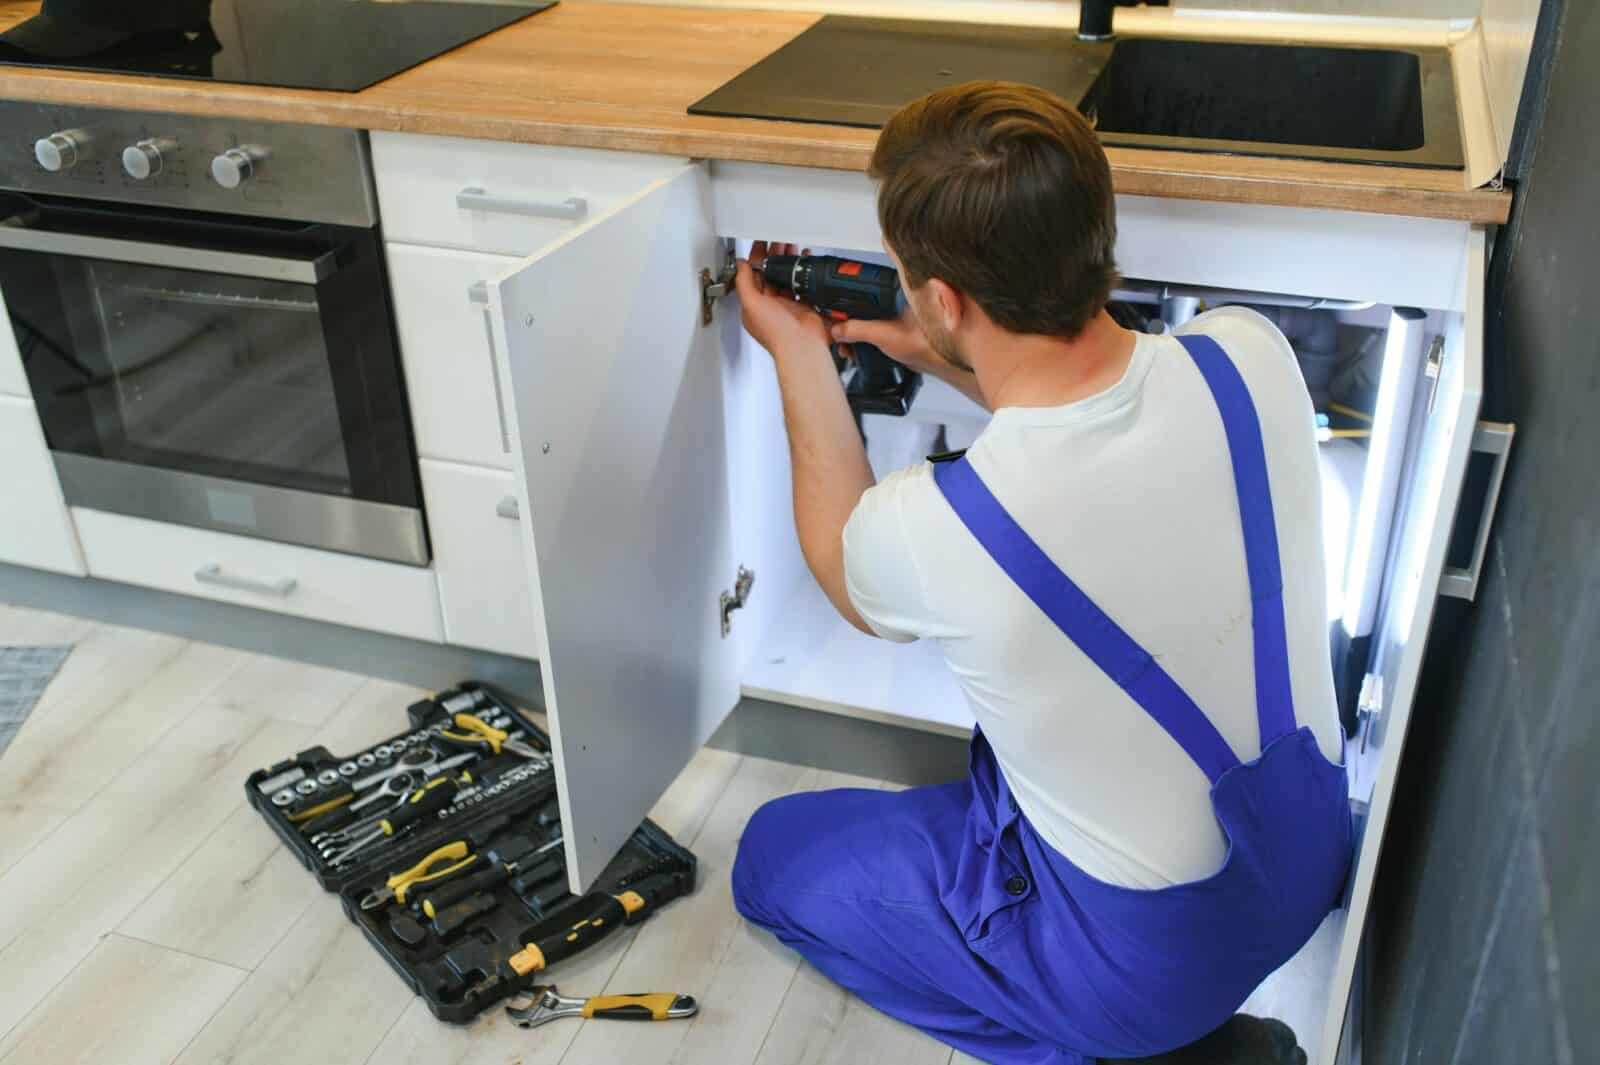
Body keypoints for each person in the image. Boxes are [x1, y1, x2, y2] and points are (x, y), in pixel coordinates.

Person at [728, 81, 1354, 1065]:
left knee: (772, 860)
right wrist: (931, 354)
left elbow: (842, 560)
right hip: (1306, 859)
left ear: (944, 298)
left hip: (1142, 974)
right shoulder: (1247, 357)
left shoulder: (939, 530)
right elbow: (1079, 407)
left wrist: (794, 350)